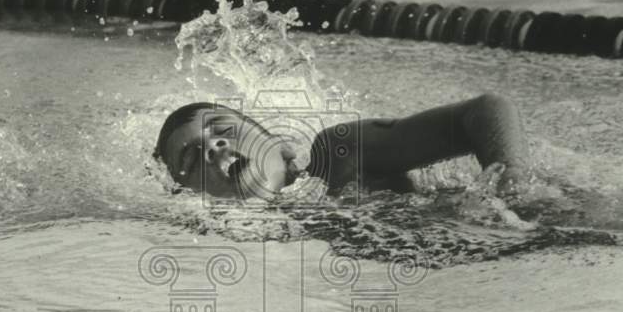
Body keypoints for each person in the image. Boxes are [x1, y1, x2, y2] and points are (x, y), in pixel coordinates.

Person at [153, 94, 531, 200]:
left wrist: (509, 171)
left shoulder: (339, 154)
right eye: (193, 157)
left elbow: (486, 110)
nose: (216, 147)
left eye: (223, 130)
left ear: (280, 146)